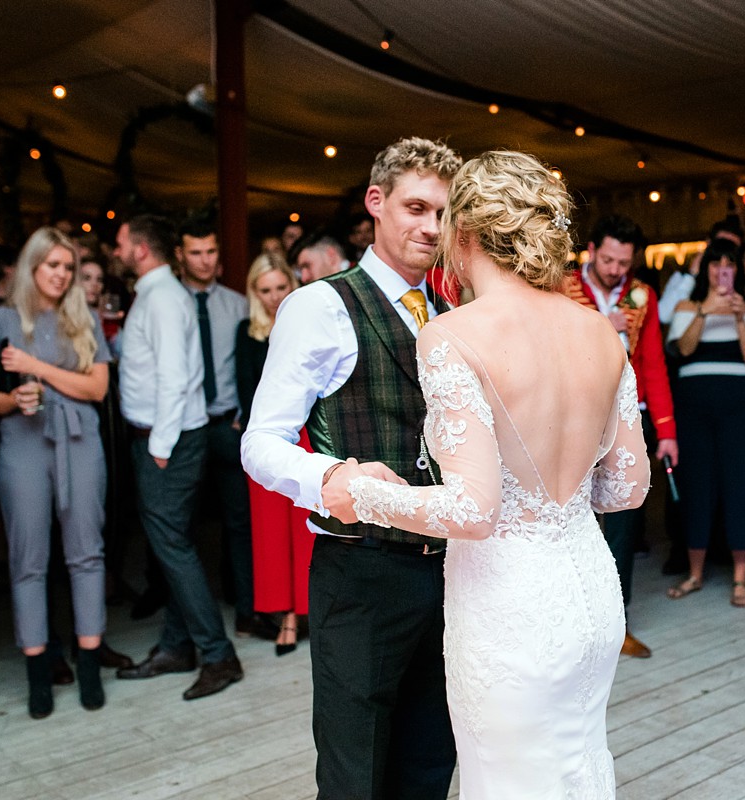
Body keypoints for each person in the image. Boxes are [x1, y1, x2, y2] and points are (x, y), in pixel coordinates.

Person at [318, 149, 649, 797]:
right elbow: (626, 488)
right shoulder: (602, 336)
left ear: (463, 234)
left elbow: (474, 509)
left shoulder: (453, 337)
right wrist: (560, 498)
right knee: (577, 767)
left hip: (510, 605)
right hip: (589, 589)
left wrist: (358, 494)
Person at [241, 137, 462, 798]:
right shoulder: (321, 304)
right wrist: (331, 477)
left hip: (454, 572)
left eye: (443, 214)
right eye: (416, 207)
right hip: (363, 572)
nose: (430, 227)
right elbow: (262, 442)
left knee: (429, 762)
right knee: (353, 774)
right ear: (376, 203)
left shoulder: (456, 314)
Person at [0, 227, 111, 717]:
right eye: (51, 265)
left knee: (86, 554)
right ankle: (38, 671)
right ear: (32, 265)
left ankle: (90, 666)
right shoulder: (1, 319)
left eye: (67, 266)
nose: (60, 274)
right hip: (23, 440)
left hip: (80, 440)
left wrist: (36, 366)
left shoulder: (84, 317)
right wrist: (13, 397)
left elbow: (97, 389)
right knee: (28, 557)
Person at [112, 214, 242, 701]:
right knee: (173, 542)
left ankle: (217, 654)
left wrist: (160, 446)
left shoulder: (163, 299)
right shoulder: (156, 294)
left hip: (168, 439)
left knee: (172, 545)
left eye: (120, 239)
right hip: (166, 435)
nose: (116, 246)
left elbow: (175, 376)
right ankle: (176, 645)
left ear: (140, 248)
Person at [561, 214, 676, 659]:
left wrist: (666, 431)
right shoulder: (560, 287)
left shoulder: (643, 295)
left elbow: (654, 365)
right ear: (591, 249)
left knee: (626, 519)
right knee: (571, 514)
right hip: (573, 414)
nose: (614, 269)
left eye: (622, 262)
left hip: (630, 415)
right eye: (607, 259)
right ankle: (574, 619)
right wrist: (598, 328)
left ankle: (618, 622)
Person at [665, 239, 745, 608]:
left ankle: (741, 578)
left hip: (741, 407)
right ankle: (695, 574)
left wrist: (740, 315)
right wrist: (706, 311)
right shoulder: (686, 306)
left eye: (729, 262)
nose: (721, 268)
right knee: (697, 483)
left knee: (741, 483)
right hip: (693, 406)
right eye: (715, 262)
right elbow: (684, 349)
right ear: (706, 267)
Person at [174, 218, 268, 640]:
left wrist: (245, 417)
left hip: (227, 425)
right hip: (184, 429)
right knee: (183, 527)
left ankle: (247, 608)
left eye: (212, 251)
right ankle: (182, 620)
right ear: (180, 255)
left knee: (239, 522)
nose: (205, 260)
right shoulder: (167, 302)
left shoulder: (237, 304)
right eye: (196, 252)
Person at [235, 253, 310, 656]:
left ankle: (305, 610)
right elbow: (247, 389)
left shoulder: (305, 325)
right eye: (265, 290)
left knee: (304, 528)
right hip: (265, 436)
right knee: (269, 534)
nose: (274, 297)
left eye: (281, 287)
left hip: (306, 435)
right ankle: (285, 614)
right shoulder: (246, 332)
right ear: (254, 292)